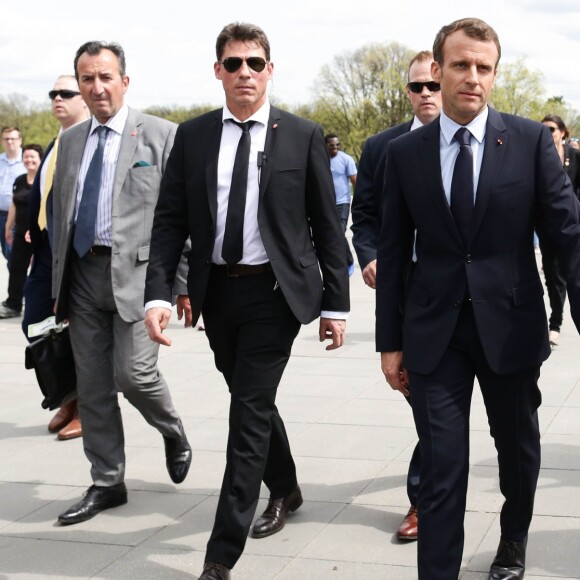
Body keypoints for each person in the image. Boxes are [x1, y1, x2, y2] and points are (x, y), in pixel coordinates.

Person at [376, 17, 580, 580]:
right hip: (434, 335)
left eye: (483, 67)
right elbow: (393, 254)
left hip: (510, 329)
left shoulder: (531, 142)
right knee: (442, 468)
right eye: (460, 65)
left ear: (494, 74)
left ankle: (513, 540)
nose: (472, 77)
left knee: (516, 453)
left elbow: (568, 235)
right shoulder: (405, 154)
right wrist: (389, 344)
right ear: (436, 71)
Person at [144, 22, 349, 580]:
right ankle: (285, 485)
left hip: (276, 293)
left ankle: (220, 555)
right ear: (218, 71)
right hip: (216, 294)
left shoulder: (301, 133)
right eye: (233, 63)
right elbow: (170, 221)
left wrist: (337, 304)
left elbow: (327, 224)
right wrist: (160, 293)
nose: (244, 73)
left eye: (255, 63)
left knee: (246, 412)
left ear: (270, 70)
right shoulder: (193, 136)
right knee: (249, 399)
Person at [51, 41, 192, 525]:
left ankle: (171, 429)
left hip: (139, 275)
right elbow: (60, 212)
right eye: (87, 79)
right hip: (83, 276)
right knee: (92, 387)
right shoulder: (69, 141)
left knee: (135, 375)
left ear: (124, 81)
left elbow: (182, 218)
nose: (97, 87)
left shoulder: (161, 135)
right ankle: (107, 481)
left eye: (105, 77)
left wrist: (181, 284)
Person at [351, 50, 441, 542]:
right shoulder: (382, 147)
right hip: (409, 300)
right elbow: (363, 218)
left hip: (469, 299)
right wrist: (368, 256)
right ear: (407, 93)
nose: (426, 93)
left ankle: (428, 495)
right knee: (424, 401)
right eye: (416, 87)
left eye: (433, 84)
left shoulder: (478, 144)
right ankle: (427, 497)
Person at [23, 75, 90, 440]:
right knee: (33, 323)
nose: (57, 99)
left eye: (66, 93)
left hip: (74, 252)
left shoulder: (88, 142)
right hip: (46, 250)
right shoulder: (56, 142)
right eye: (53, 93)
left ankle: (84, 407)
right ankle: (66, 395)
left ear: (83, 99)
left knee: (74, 329)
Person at [537, 114, 580, 347]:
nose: (547, 133)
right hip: (548, 228)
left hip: (574, 227)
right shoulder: (539, 155)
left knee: (572, 274)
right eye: (543, 129)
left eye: (551, 129)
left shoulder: (574, 156)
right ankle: (555, 323)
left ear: (562, 132)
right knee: (553, 277)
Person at [0, 144, 43, 319]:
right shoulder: (19, 180)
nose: (29, 160)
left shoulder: (46, 180)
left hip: (39, 234)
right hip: (20, 233)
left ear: (40, 159)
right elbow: (14, 205)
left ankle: (40, 305)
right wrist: (8, 227)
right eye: (26, 157)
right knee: (17, 268)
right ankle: (13, 304)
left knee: (39, 270)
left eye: (33, 157)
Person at [325, 134, 357, 276]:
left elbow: (355, 180)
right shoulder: (320, 158)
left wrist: (360, 199)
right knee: (329, 234)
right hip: (325, 203)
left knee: (339, 231)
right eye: (332, 145)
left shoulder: (346, 159)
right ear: (325, 145)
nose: (335, 148)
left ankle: (349, 262)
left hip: (342, 202)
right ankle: (335, 262)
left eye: (337, 145)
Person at [0, 127, 25, 266]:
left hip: (17, 216)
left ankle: (20, 286)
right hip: (0, 215)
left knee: (14, 255)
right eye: (6, 139)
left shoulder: (27, 160)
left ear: (19, 140)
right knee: (6, 252)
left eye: (13, 138)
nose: (9, 142)